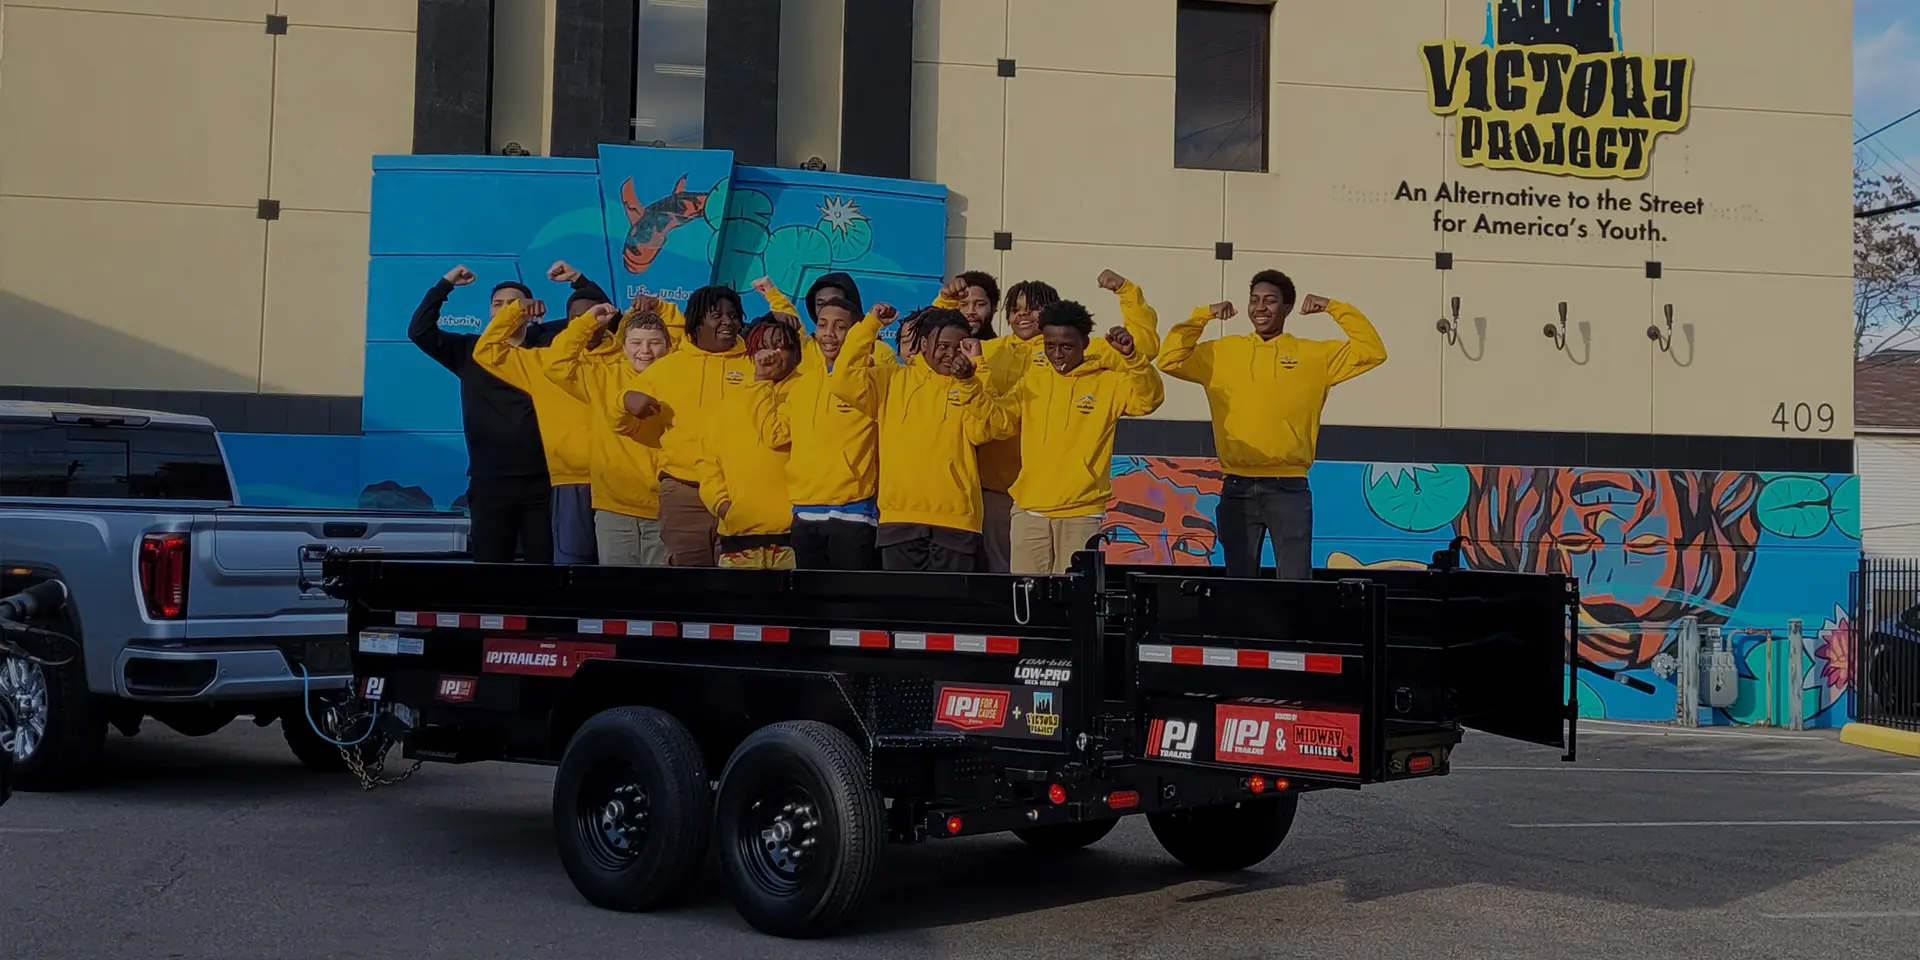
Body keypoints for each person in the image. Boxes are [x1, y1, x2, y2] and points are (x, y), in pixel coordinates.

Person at [1157, 270, 1387, 580]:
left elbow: (1373, 351)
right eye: (1254, 301)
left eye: (1270, 301)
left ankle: (1295, 631)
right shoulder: (1220, 353)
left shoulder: (1315, 355)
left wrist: (1334, 307)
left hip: (1289, 487)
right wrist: (1203, 316)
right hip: (1236, 486)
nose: (1260, 308)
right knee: (1239, 586)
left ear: (1288, 307)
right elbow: (1168, 358)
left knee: (1295, 584)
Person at [968, 271, 1164, 572]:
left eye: (1067, 347)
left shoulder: (1108, 381)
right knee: (1025, 597)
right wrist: (972, 377)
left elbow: (1147, 400)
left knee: (1074, 599)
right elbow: (998, 422)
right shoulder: (1032, 380)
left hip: (1081, 510)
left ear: (1086, 343)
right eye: (1050, 346)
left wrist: (1134, 358)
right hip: (1027, 507)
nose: (1057, 354)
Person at [408, 266, 567, 563]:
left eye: (515, 303)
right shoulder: (470, 350)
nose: (507, 309)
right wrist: (445, 284)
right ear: (490, 313)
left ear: (531, 309)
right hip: (490, 481)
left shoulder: (548, 344)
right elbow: (419, 331)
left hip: (544, 482)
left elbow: (598, 319)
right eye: (499, 304)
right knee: (490, 573)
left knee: (545, 574)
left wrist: (577, 280)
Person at [829, 306, 1004, 572]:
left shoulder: (971, 383)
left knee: (950, 610)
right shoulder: (890, 378)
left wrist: (974, 373)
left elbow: (986, 430)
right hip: (899, 518)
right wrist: (870, 326)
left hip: (956, 520)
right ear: (923, 343)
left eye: (959, 347)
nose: (950, 354)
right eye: (943, 345)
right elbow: (843, 380)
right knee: (903, 610)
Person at [470, 261, 612, 565]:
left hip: (623, 482)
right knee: (572, 572)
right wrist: (516, 311)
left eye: (592, 318)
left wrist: (579, 278)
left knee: (624, 577)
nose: (585, 324)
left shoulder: (627, 357)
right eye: (576, 320)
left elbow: (610, 312)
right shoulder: (541, 363)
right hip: (571, 481)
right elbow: (487, 351)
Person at [748, 294, 897, 569]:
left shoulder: (872, 380)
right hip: (805, 512)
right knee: (811, 604)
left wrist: (871, 325)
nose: (829, 334)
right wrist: (760, 382)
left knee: (850, 603)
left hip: (854, 513)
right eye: (823, 325)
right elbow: (775, 435)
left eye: (840, 327)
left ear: (855, 333)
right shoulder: (802, 385)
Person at [615, 285, 752, 566]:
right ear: (695, 322)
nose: (728, 322)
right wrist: (624, 400)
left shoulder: (756, 365)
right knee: (688, 584)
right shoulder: (667, 368)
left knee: (740, 583)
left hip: (742, 492)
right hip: (684, 493)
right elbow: (620, 422)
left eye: (734, 315)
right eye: (717, 315)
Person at [544, 302, 673, 566]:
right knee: (617, 595)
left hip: (664, 508)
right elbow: (554, 365)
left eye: (655, 343)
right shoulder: (602, 376)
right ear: (623, 346)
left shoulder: (681, 378)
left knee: (662, 596)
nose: (645, 351)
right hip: (614, 507)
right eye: (636, 343)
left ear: (668, 346)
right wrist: (587, 322)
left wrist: (666, 310)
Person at [701, 316, 804, 569]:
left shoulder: (808, 394)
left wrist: (761, 383)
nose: (770, 354)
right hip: (739, 536)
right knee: (740, 608)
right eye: (761, 347)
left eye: (781, 346)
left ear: (798, 355)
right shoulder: (731, 402)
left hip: (795, 538)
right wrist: (723, 506)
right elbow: (707, 463)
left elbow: (776, 435)